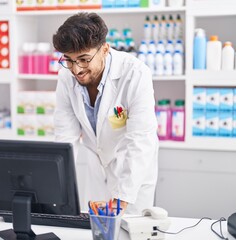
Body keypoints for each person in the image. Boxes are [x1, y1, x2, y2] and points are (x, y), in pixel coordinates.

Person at [52, 12, 158, 214]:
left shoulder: (135, 73)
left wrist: (123, 196)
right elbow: (65, 138)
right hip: (95, 169)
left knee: (130, 231)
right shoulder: (66, 76)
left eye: (84, 59)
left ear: (105, 50)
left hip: (131, 171)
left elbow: (141, 139)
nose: (76, 69)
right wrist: (56, 191)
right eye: (69, 60)